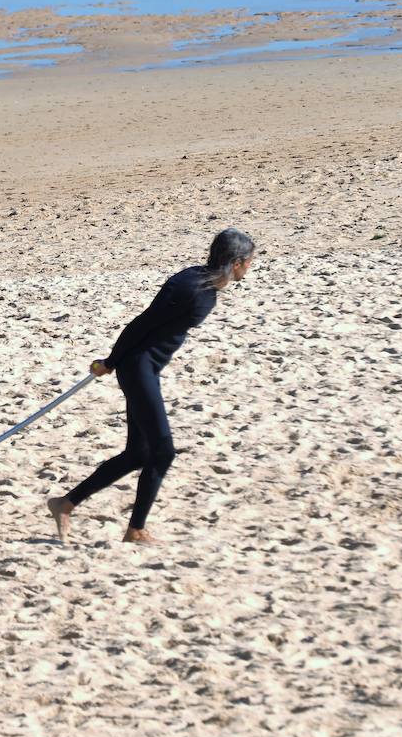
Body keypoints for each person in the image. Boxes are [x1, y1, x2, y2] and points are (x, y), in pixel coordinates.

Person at [47, 228, 256, 544]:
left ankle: (65, 504)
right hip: (137, 367)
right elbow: (141, 324)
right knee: (163, 452)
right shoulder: (190, 286)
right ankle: (136, 530)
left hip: (147, 368)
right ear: (237, 262)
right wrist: (111, 361)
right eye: (249, 262)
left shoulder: (205, 284)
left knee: (137, 454)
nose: (250, 267)